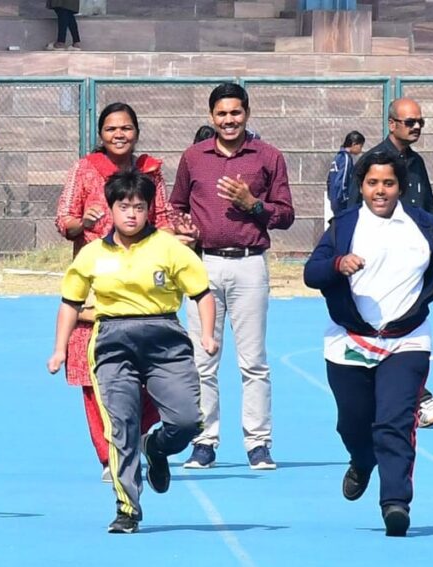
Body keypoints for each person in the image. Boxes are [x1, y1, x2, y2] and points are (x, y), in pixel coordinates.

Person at [48, 169, 217, 534]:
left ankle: (155, 446)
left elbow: (202, 292)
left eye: (139, 207)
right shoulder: (92, 254)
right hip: (112, 341)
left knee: (188, 420)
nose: (131, 214)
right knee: (120, 425)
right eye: (123, 206)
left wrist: (207, 334)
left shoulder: (170, 248)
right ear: (111, 209)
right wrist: (59, 349)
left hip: (164, 337)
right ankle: (127, 507)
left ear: (149, 211)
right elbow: (70, 302)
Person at [303, 151, 433, 537]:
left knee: (395, 422)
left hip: (407, 340)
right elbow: (312, 273)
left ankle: (396, 503)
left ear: (400, 186)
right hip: (351, 340)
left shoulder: (424, 226)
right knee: (353, 423)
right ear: (362, 185)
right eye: (372, 183)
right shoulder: (344, 226)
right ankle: (361, 460)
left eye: (388, 183)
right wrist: (338, 264)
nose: (380, 190)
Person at [170, 82, 295, 470]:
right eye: (222, 114)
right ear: (211, 117)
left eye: (236, 112)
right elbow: (175, 205)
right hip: (203, 265)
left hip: (249, 264)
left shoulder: (268, 157)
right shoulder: (193, 157)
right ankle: (205, 441)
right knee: (202, 359)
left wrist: (252, 204)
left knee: (253, 361)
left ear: (247, 114)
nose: (229, 120)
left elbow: (286, 214)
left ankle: (258, 443)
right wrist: (183, 228)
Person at [54, 102, 179, 482]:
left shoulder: (151, 173)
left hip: (143, 288)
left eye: (126, 128)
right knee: (91, 375)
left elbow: (165, 220)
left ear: (136, 131)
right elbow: (63, 219)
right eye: (111, 129)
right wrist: (82, 222)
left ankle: (138, 435)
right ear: (101, 134)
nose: (119, 135)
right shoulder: (85, 170)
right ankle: (110, 456)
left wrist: (173, 240)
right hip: (96, 287)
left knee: (150, 373)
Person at [350, 98, 433, 428]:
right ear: (392, 124)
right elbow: (350, 215)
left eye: (420, 121)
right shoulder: (373, 163)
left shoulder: (417, 164)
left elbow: (432, 218)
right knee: (382, 340)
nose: (417, 127)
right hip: (377, 272)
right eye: (410, 122)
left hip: (413, 272)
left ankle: (416, 398)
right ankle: (418, 399)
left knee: (412, 338)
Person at [327, 130, 365, 215]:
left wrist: (331, 197)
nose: (361, 150)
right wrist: (345, 198)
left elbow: (329, 180)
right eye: (360, 146)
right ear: (354, 144)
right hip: (342, 201)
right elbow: (342, 179)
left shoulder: (337, 157)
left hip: (334, 200)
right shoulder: (346, 158)